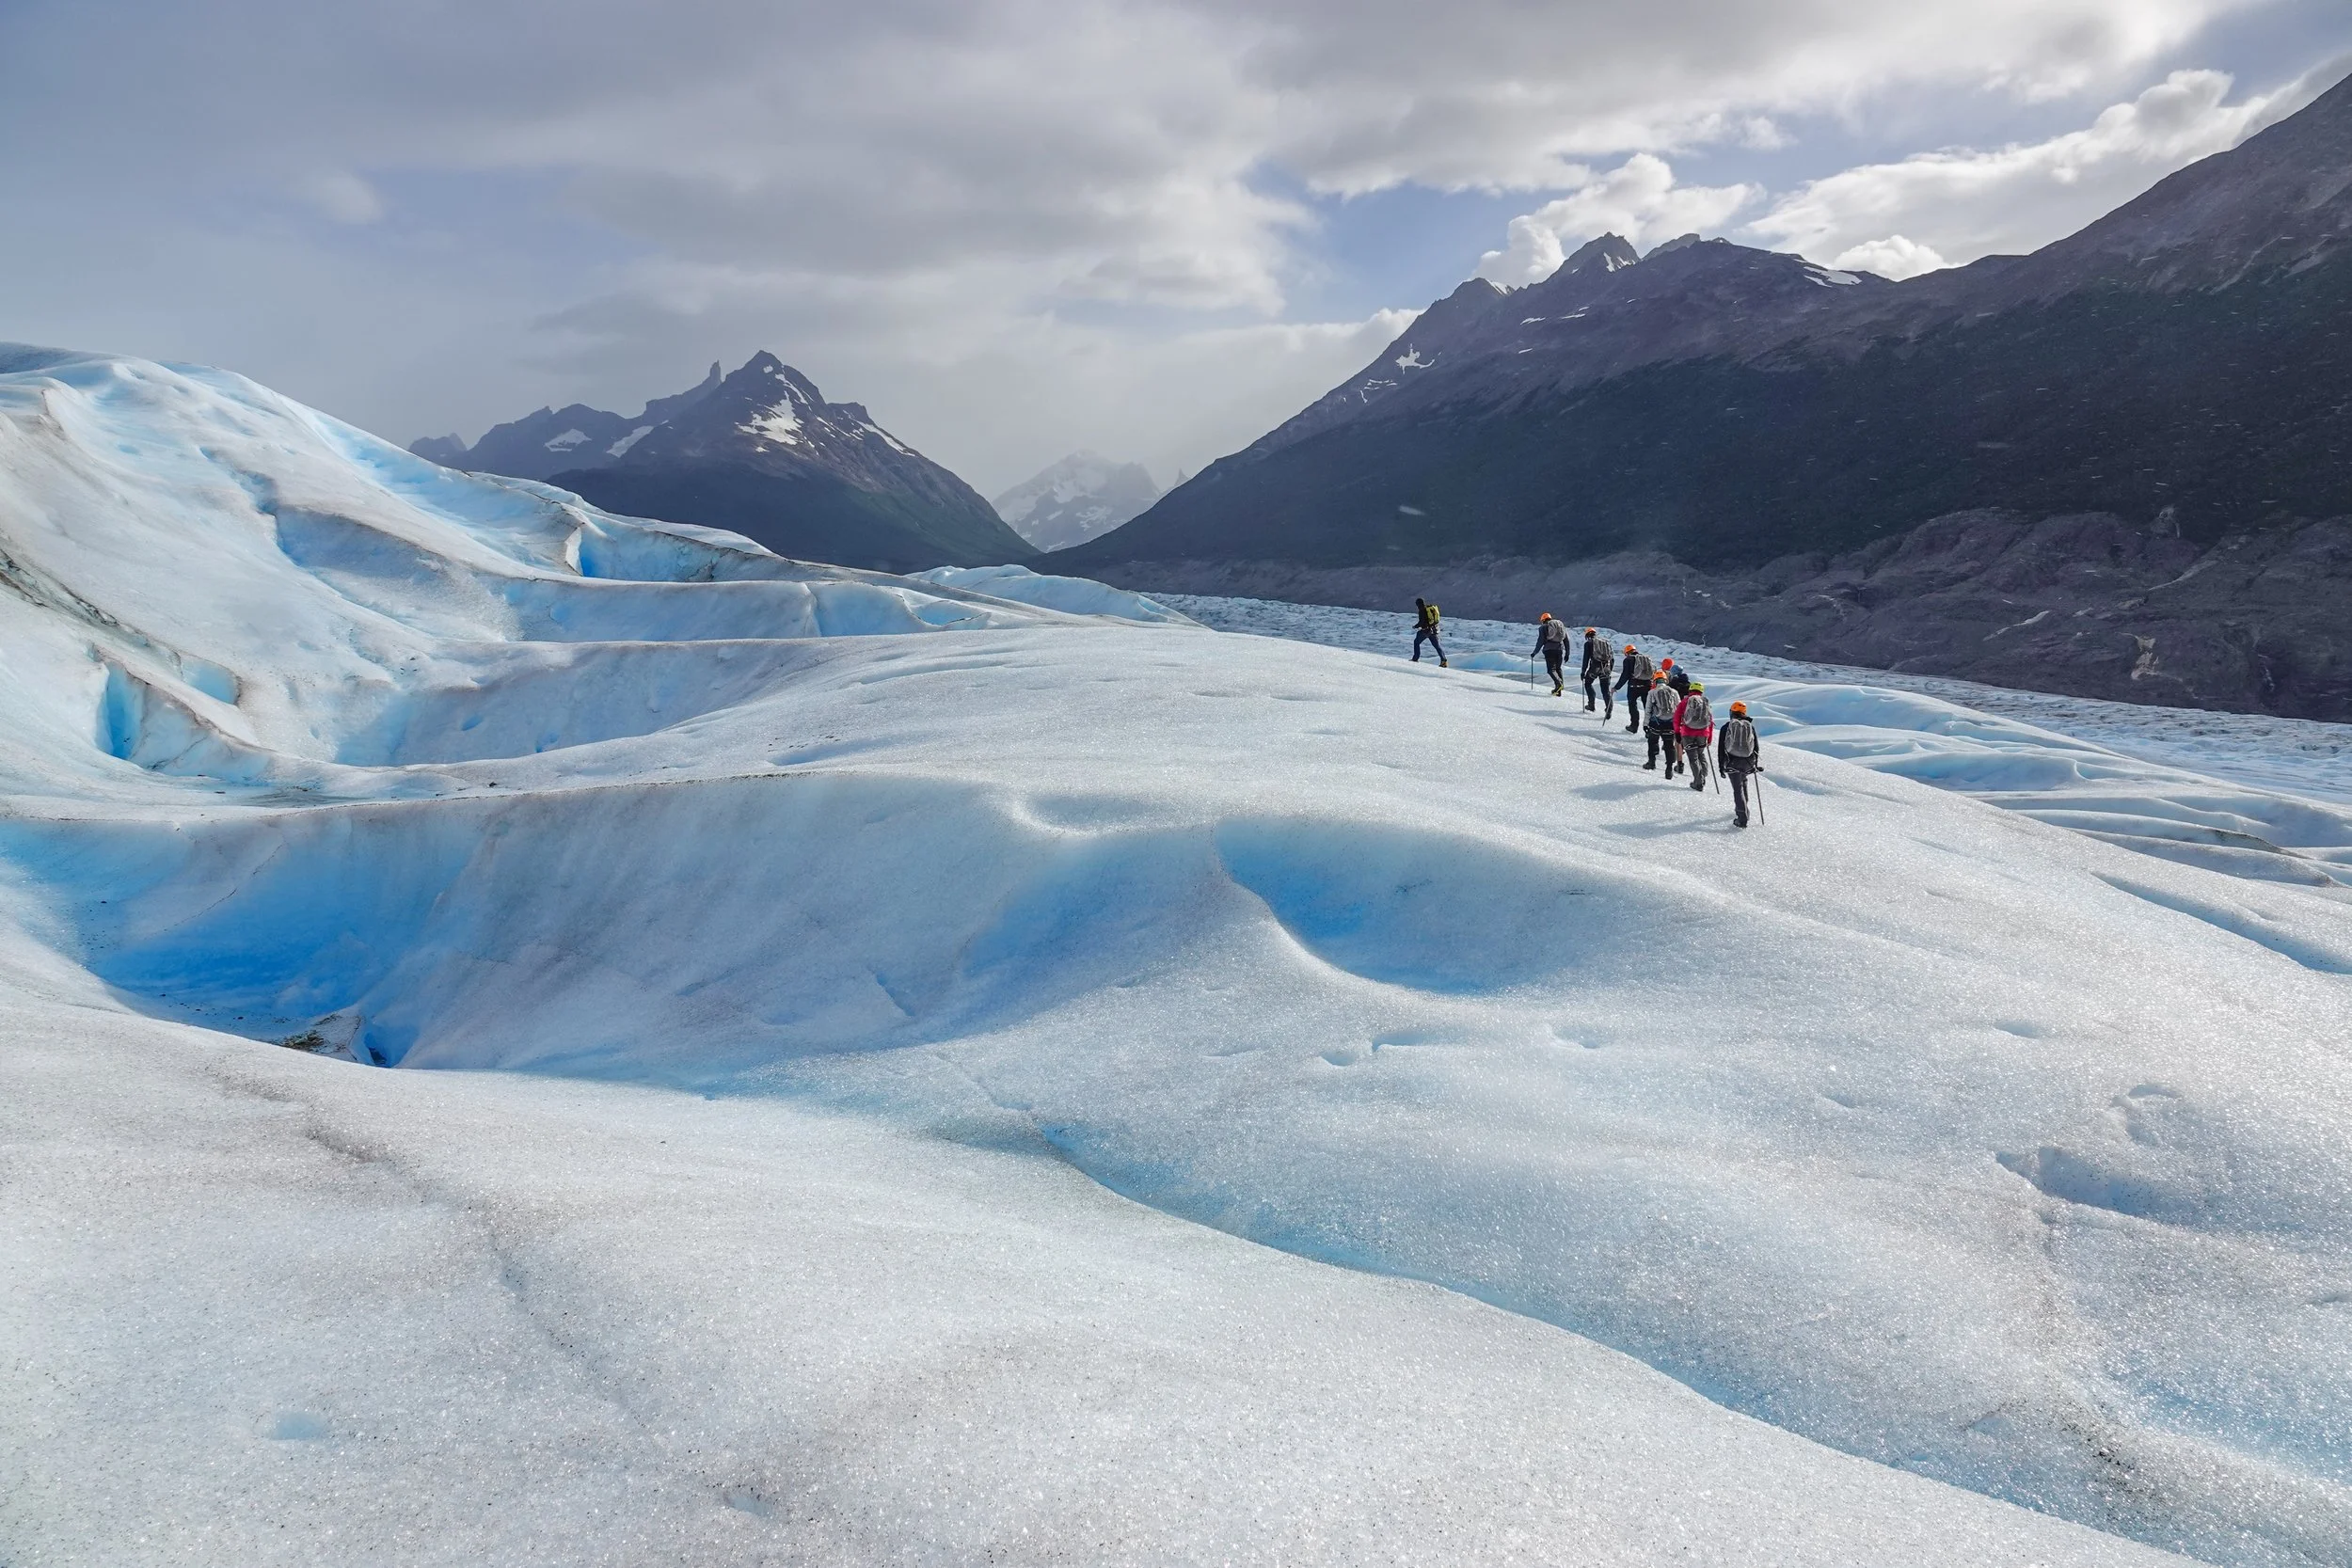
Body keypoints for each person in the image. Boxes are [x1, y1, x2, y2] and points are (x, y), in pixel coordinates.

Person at [1718, 700, 1763, 828]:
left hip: (1732, 762)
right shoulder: (1750, 726)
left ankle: (1742, 818)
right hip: (1748, 762)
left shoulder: (1727, 727)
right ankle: (1745, 810)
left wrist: (1721, 766)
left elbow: (1721, 748)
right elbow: (1756, 747)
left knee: (1737, 789)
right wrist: (1754, 763)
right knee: (1743, 784)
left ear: (1732, 712)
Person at [1675, 680, 1716, 793]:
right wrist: (1710, 737)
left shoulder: (1685, 701)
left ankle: (1698, 783)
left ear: (1690, 690)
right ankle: (1703, 774)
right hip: (1703, 733)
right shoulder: (1705, 702)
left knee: (1693, 758)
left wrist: (1677, 732)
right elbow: (1710, 721)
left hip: (1687, 733)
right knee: (1700, 754)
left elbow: (1677, 718)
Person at [1643, 676, 1680, 773]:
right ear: (1666, 681)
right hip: (1670, 723)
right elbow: (1679, 709)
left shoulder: (1652, 692)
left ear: (1655, 681)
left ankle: (1651, 763)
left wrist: (1646, 724)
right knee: (1669, 745)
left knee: (1653, 742)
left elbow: (1648, 709)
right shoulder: (1674, 692)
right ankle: (1669, 768)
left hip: (1656, 723)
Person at [1616, 643, 1654, 734]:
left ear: (1627, 653)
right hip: (1647, 686)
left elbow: (1625, 675)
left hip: (1634, 686)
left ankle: (1634, 726)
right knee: (1648, 707)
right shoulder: (1645, 659)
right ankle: (1651, 728)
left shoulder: (1628, 660)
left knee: (1633, 706)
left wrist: (1616, 687)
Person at [1579, 627, 1613, 719]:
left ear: (1587, 635)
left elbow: (1586, 658)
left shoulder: (1589, 643)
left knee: (1588, 683)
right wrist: (1610, 670)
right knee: (1605, 690)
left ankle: (1591, 705)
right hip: (1606, 668)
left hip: (1595, 668)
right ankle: (1608, 709)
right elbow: (1612, 658)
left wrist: (1583, 671)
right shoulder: (1606, 643)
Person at [1532, 612, 1569, 695]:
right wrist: (1567, 653)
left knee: (1551, 670)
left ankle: (1559, 684)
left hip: (1549, 650)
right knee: (1558, 669)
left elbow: (1540, 641)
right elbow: (1566, 640)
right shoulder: (1560, 626)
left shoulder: (1543, 627)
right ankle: (1558, 691)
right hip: (1559, 650)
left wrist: (1535, 652)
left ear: (1543, 620)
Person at [1411, 598, 1447, 667]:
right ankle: (1444, 661)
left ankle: (1415, 658)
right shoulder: (1429, 608)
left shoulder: (1422, 610)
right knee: (1437, 646)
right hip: (1434, 630)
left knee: (1416, 642)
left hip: (1426, 630)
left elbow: (1421, 622)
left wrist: (1415, 626)